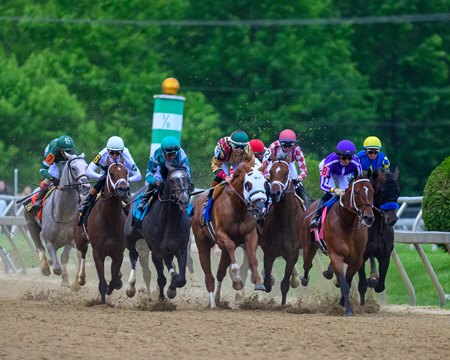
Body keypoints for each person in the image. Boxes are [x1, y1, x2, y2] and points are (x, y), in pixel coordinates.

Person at [78, 136, 142, 223]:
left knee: (128, 198)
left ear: (122, 152)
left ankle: (135, 220)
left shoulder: (126, 154)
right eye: (112, 153)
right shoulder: (102, 154)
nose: (115, 156)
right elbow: (88, 171)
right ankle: (85, 205)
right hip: (106, 176)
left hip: (121, 179)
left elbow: (138, 175)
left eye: (117, 153)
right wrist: (100, 177)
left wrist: (126, 180)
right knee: (101, 182)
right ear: (108, 150)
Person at [310, 139, 363, 228]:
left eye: (349, 158)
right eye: (344, 158)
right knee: (330, 194)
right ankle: (316, 217)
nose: (347, 161)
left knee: (348, 194)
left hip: (342, 173)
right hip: (330, 171)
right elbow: (322, 185)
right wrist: (334, 189)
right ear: (338, 155)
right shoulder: (328, 163)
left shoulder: (356, 163)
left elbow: (361, 181)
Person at [136, 136, 191, 214]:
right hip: (160, 174)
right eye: (169, 155)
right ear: (163, 152)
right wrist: (155, 182)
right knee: (152, 185)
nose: (172, 157)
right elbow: (149, 176)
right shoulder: (156, 154)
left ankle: (188, 206)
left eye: (174, 154)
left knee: (186, 184)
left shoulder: (181, 154)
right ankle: (143, 202)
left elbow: (188, 174)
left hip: (177, 175)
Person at [32, 135, 78, 211]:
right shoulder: (52, 153)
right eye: (65, 152)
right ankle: (39, 200)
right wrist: (53, 179)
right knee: (53, 173)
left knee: (71, 173)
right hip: (55, 159)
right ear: (60, 150)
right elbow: (42, 170)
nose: (67, 154)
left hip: (61, 157)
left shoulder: (73, 152)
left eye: (69, 151)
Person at [262, 129, 308, 202]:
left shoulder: (297, 149)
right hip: (274, 165)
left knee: (302, 193)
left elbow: (304, 171)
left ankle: (305, 207)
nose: (287, 148)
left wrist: (298, 179)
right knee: (264, 186)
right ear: (280, 143)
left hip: (290, 165)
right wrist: (267, 176)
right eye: (285, 146)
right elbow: (263, 166)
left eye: (290, 146)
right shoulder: (272, 147)